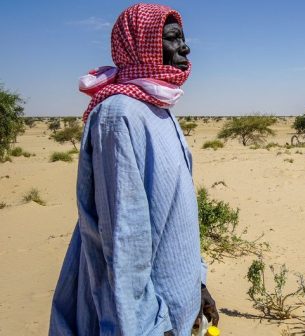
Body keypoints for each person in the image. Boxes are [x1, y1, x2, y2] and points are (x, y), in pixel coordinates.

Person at [49, 4, 219, 335]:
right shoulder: (119, 115)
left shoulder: (159, 109)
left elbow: (175, 220)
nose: (184, 47)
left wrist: (197, 285)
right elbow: (124, 239)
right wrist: (146, 328)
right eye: (172, 38)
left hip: (176, 312)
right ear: (141, 45)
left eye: (183, 38)